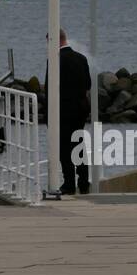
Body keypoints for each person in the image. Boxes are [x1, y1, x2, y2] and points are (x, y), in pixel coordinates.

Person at [44, 29, 92, 195]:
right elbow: (88, 85)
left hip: (63, 110)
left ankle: (69, 183)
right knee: (78, 144)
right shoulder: (81, 58)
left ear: (53, 41)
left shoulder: (55, 60)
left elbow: (50, 90)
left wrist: (48, 117)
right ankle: (84, 182)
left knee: (64, 147)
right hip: (80, 109)